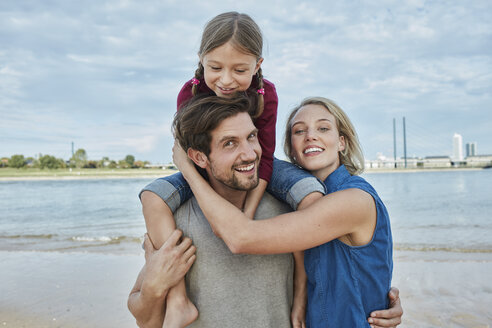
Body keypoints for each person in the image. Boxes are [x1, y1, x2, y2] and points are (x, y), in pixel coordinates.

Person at [129, 95, 403, 328]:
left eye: (251, 138)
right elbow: (146, 316)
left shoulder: (343, 202)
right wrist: (154, 287)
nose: (311, 136)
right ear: (291, 151)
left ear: (342, 142)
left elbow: (241, 236)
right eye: (299, 131)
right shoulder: (174, 218)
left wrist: (187, 170)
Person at [141, 11, 325, 327]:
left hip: (263, 165)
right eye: (215, 68)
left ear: (258, 65)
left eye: (239, 70)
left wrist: (245, 218)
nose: (226, 80)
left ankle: (304, 290)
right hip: (197, 166)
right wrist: (155, 268)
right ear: (201, 60)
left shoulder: (266, 95)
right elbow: (190, 151)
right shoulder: (190, 93)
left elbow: (263, 154)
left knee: (312, 194)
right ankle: (178, 299)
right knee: (152, 197)